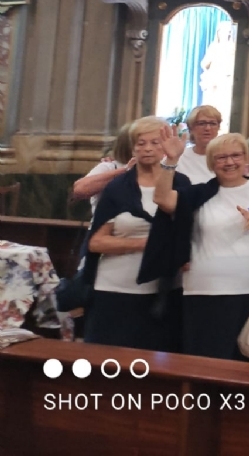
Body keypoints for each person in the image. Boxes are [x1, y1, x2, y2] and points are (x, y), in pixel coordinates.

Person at [146, 129, 249, 360]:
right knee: (205, 363)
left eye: (236, 156)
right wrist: (171, 161)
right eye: (221, 157)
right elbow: (162, 199)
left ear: (246, 158)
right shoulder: (198, 194)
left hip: (248, 290)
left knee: (244, 365)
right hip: (204, 290)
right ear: (212, 163)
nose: (230, 162)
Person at [83, 116, 179, 350]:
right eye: (141, 143)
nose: (147, 148)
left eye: (155, 143)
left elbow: (180, 224)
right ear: (132, 147)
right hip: (114, 286)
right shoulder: (118, 187)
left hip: (159, 291)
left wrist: (172, 161)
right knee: (105, 360)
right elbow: (95, 242)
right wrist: (148, 243)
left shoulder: (181, 183)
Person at [73, 124, 134, 217]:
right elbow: (80, 189)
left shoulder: (161, 168)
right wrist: (126, 170)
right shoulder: (110, 166)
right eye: (142, 143)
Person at [176, 105, 222, 183]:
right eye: (201, 123)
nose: (207, 128)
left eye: (212, 123)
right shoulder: (179, 157)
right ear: (191, 128)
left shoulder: (227, 156)